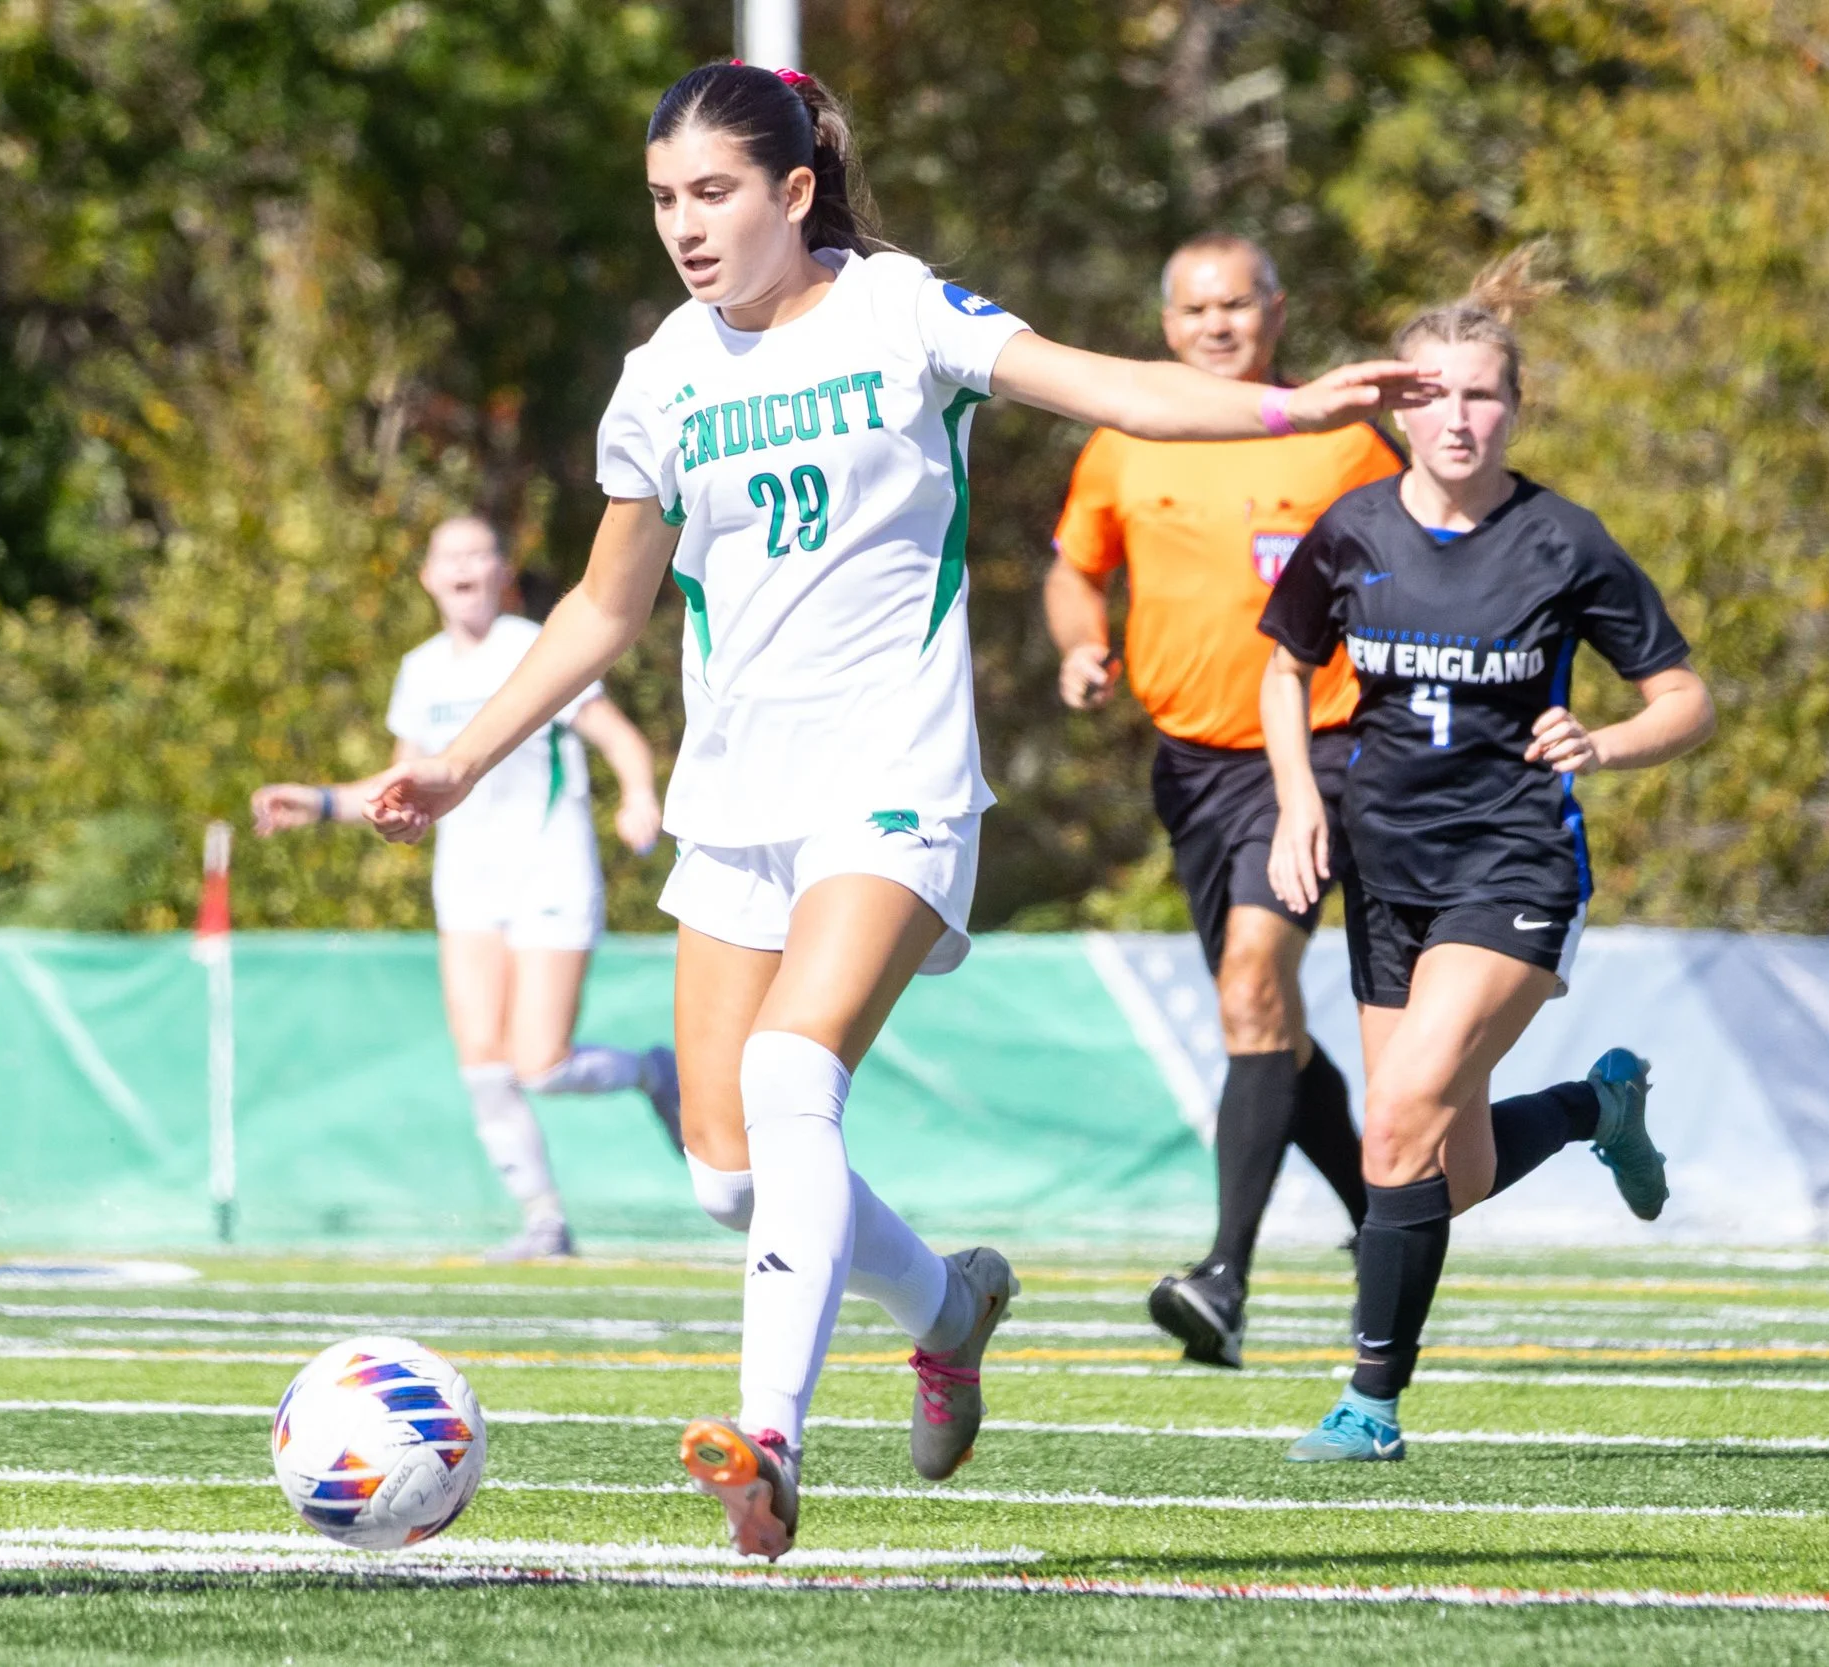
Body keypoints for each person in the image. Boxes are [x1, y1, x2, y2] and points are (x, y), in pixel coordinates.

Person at [361, 60, 1435, 1558]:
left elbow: (1111, 387)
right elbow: (603, 612)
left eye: (716, 192)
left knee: (799, 1077)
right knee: (728, 1174)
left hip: (895, 782)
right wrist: (464, 758)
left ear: (796, 193)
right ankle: (948, 1301)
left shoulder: (901, 311)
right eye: (666, 197)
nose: (685, 222)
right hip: (740, 806)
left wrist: (1288, 404)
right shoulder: (662, 374)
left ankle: (769, 1443)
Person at [1256, 251, 1716, 1461]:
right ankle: (1592, 1107)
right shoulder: (1350, 530)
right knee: (1430, 1169)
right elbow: (1282, 663)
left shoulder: (1560, 540)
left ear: (1515, 409)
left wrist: (1606, 741)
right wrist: (1299, 794)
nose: (1457, 416)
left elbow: (1686, 696)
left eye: (1482, 394)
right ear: (1398, 406)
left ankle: (1369, 1403)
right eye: (1435, 393)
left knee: (1398, 1117)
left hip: (1511, 868)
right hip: (1382, 874)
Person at [1045, 232, 1403, 1368]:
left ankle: (1224, 1279)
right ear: (1166, 326)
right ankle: (1382, 1218)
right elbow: (1071, 565)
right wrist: (1080, 643)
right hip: (1188, 766)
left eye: (1235, 306)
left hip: (1321, 751)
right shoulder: (1126, 436)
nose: (1215, 325)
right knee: (1264, 1024)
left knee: (1254, 981)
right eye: (1194, 309)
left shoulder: (1343, 441)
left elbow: (1434, 553)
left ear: (1274, 313)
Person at [252, 514, 683, 1263]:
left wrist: (638, 794)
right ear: (426, 576)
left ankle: (652, 1069)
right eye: (447, 557)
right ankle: (544, 1220)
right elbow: (399, 784)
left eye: (478, 553)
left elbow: (616, 736)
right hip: (469, 882)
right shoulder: (421, 669)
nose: (463, 567)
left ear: (499, 569)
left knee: (539, 1064)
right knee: (483, 1062)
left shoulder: (532, 644)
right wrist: (320, 802)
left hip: (550, 866)